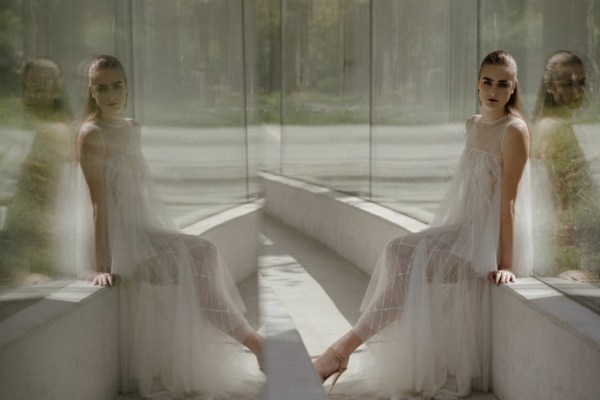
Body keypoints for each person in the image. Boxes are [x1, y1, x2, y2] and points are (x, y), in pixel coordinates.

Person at [314, 50, 532, 399]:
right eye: (487, 81)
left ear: (513, 88)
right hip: (463, 230)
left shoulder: (515, 131)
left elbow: (509, 204)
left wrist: (506, 264)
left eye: (502, 84)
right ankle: (342, 352)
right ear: (477, 84)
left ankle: (338, 354)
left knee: (406, 260)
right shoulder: (473, 124)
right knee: (396, 250)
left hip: (485, 243)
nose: (493, 89)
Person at [77, 55, 263, 399]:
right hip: (121, 243)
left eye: (117, 85)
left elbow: (138, 193)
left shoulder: (133, 128)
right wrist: (100, 267)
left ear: (127, 86)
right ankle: (256, 345)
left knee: (204, 253)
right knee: (197, 261)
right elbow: (98, 205)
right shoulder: (92, 135)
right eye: (101, 88)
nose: (111, 94)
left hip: (143, 231)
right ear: (91, 91)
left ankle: (251, 346)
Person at [0, 57, 75, 285]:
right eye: (29, 86)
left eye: (42, 86)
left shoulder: (55, 132)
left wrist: (21, 266)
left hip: (31, 245)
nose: (33, 93)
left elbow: (44, 200)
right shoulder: (24, 126)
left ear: (57, 89)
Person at [531, 50, 599, 281]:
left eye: (581, 83)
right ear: (551, 86)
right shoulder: (555, 128)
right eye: (567, 84)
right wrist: (567, 254)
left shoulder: (548, 123)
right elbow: (559, 195)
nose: (577, 91)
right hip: (575, 241)